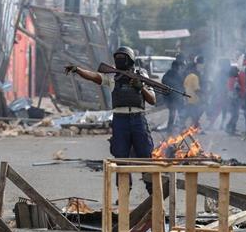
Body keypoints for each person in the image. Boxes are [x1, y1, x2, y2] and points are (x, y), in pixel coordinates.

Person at [64, 46, 156, 193]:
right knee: (121, 159)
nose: (120, 60)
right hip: (120, 120)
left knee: (146, 156)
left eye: (123, 57)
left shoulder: (141, 75)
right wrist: (78, 70)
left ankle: (153, 194)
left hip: (138, 119)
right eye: (117, 57)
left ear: (130, 59)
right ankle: (123, 195)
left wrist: (141, 87)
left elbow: (152, 100)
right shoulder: (113, 76)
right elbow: (94, 76)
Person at [162, 59, 185, 133]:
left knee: (173, 113)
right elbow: (181, 86)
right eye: (179, 66)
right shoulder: (177, 75)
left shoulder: (167, 74)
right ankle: (176, 127)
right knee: (177, 113)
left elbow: (163, 82)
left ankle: (171, 127)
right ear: (177, 66)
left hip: (169, 98)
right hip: (175, 98)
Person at [183, 56, 204, 128]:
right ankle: (194, 127)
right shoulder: (194, 76)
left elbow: (184, 85)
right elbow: (196, 89)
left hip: (188, 99)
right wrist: (202, 97)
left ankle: (194, 126)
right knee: (194, 114)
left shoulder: (188, 76)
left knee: (191, 114)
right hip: (193, 99)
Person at [225, 66, 245, 135]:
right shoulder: (235, 79)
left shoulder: (229, 79)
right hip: (235, 99)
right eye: (237, 71)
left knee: (234, 114)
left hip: (230, 99)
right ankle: (229, 128)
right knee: (235, 115)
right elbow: (238, 88)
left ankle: (232, 128)